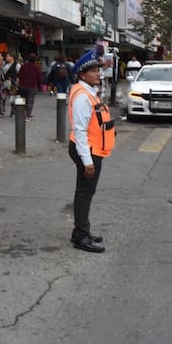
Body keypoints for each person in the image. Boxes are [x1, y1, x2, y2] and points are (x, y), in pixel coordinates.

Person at [67, 50, 116, 253]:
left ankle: (82, 231)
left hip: (93, 149)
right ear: (82, 74)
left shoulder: (89, 93)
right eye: (94, 71)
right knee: (84, 193)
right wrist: (87, 161)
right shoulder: (82, 96)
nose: (98, 74)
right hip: (88, 151)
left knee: (87, 192)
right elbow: (79, 131)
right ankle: (80, 236)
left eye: (98, 70)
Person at [16, 53, 42, 121]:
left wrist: (18, 85)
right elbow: (39, 78)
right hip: (32, 86)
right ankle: (27, 115)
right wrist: (40, 86)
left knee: (23, 100)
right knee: (30, 101)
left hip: (23, 86)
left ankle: (23, 113)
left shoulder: (24, 66)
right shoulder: (37, 67)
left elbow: (19, 76)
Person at [0, 52, 19, 117]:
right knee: (2, 97)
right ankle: (1, 111)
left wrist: (17, 83)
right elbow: (1, 73)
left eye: (8, 56)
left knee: (12, 99)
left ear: (12, 57)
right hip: (4, 83)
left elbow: (19, 75)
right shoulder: (4, 64)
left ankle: (13, 111)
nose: (6, 58)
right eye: (6, 57)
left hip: (12, 84)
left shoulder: (17, 65)